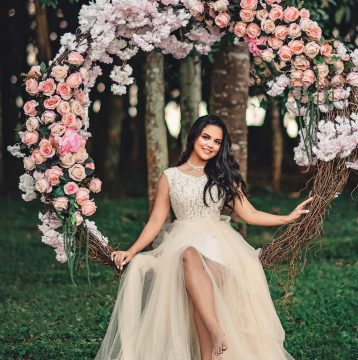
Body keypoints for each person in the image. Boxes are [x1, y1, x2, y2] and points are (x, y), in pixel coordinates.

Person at [95, 115, 313, 360]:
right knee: (188, 254)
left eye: (217, 142)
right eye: (206, 137)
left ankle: (209, 349)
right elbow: (156, 221)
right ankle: (215, 333)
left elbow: (248, 213)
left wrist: (286, 218)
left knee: (202, 283)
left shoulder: (224, 175)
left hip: (219, 246)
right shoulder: (170, 176)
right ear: (194, 137)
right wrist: (132, 251)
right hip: (181, 242)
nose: (210, 144)